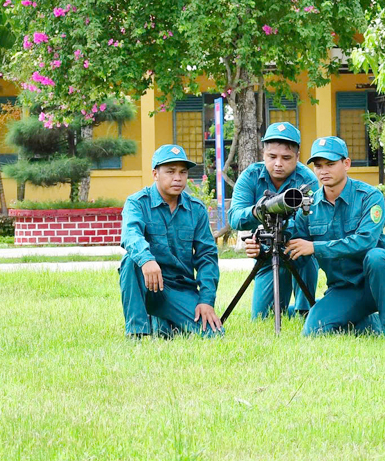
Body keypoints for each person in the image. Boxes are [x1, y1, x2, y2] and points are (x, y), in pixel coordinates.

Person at [283, 137, 385, 337]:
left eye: (330, 164)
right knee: (313, 331)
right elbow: (296, 245)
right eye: (319, 166)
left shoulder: (369, 196)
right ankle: (367, 321)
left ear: (346, 163)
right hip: (343, 288)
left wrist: (316, 247)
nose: (324, 171)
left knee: (377, 256)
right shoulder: (308, 206)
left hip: (379, 281)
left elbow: (366, 241)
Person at [119, 145, 222, 337]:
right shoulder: (137, 202)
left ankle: (162, 323)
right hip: (148, 283)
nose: (178, 178)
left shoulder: (196, 210)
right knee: (131, 261)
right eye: (170, 171)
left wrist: (206, 300)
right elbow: (130, 234)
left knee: (213, 335)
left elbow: (207, 257)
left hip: (180, 288)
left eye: (183, 172)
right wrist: (147, 260)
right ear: (155, 174)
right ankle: (137, 334)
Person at [227, 121, 320, 319]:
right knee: (262, 319)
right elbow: (234, 217)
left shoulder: (308, 180)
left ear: (297, 156)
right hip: (267, 253)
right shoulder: (250, 176)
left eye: (286, 158)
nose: (278, 163)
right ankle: (304, 309)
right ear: (263, 154)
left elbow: (312, 223)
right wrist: (259, 216)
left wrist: (284, 230)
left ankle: (306, 311)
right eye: (272, 157)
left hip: (297, 251)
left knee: (307, 256)